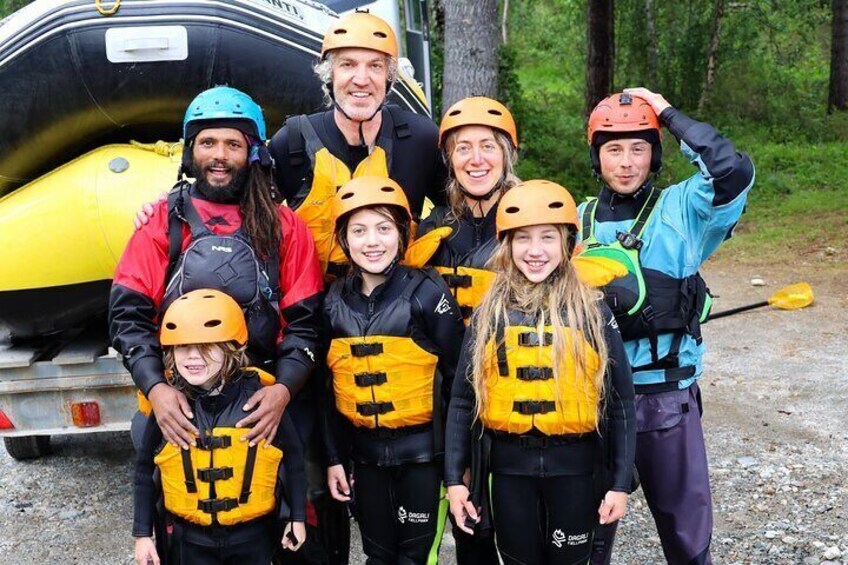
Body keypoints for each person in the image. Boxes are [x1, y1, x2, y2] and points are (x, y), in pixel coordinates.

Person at [583, 88, 755, 565]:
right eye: (613, 149)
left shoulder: (685, 208)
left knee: (685, 535)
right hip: (594, 401)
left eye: (639, 148)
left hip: (664, 400)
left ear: (655, 154)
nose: (626, 162)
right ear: (597, 157)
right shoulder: (576, 220)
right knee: (587, 534)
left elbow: (732, 170)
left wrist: (667, 114)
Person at [109, 86, 323, 453]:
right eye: (207, 143)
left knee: (301, 490)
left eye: (233, 144)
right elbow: (129, 316)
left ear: (253, 152)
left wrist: (283, 391)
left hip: (264, 390)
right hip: (181, 391)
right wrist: (156, 389)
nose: (219, 156)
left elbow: (306, 322)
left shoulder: (284, 226)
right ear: (191, 150)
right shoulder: (163, 221)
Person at [444, 180, 636, 565]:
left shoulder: (593, 311)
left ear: (567, 244)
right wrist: (454, 480)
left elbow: (622, 403)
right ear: (507, 246)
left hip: (576, 469)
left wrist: (620, 484)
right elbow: (462, 401)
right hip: (509, 471)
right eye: (522, 239)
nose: (535, 251)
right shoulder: (488, 314)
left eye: (548, 238)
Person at [321, 176, 465, 563]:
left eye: (384, 229)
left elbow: (459, 383)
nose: (372, 241)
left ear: (402, 234)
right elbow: (326, 393)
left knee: (416, 559)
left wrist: (458, 466)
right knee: (377, 556)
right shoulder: (334, 301)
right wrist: (335, 458)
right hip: (365, 460)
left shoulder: (428, 293)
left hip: (423, 459)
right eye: (360, 230)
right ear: (344, 239)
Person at [132, 289, 306, 564]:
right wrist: (143, 535)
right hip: (189, 542)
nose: (192, 357)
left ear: (231, 349)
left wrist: (297, 518)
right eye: (183, 347)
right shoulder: (168, 408)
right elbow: (144, 470)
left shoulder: (261, 400)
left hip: (253, 538)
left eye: (206, 347)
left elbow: (294, 459)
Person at [414, 95, 517, 563]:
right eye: (463, 148)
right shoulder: (429, 232)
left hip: (514, 397)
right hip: (451, 402)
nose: (476, 159)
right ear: (449, 159)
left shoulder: (533, 226)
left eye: (488, 146)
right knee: (470, 539)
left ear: (507, 154)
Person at [268, 10, 447, 277]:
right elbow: (252, 220)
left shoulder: (420, 139)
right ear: (330, 75)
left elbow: (464, 213)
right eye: (348, 64)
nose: (361, 79)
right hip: (311, 305)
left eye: (375, 66)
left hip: (394, 300)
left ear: (389, 77)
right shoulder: (291, 143)